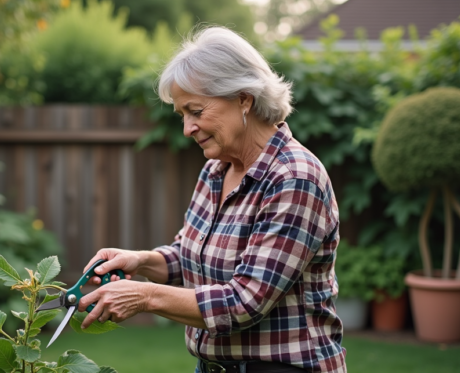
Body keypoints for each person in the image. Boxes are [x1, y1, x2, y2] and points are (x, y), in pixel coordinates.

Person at [78, 27, 347, 373]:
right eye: (182, 115)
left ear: (243, 99)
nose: (188, 128)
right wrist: (140, 261)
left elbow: (245, 301)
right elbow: (189, 257)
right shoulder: (216, 172)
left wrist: (144, 296)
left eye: (196, 111)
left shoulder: (294, 177)